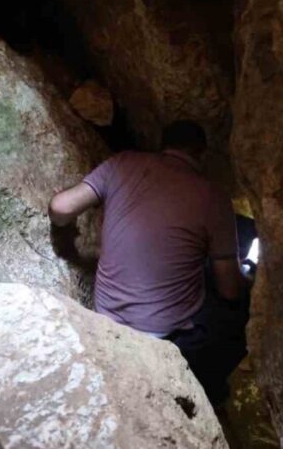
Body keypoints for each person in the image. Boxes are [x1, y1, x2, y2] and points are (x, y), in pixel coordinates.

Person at [48, 120, 246, 402]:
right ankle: (208, 388)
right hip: (163, 332)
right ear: (201, 153)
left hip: (107, 315)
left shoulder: (122, 163)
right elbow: (229, 289)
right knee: (237, 311)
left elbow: (60, 208)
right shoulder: (213, 197)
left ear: (162, 144)